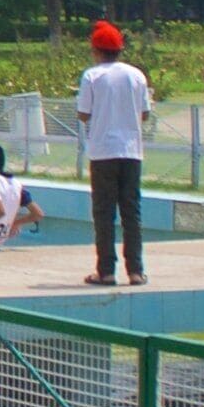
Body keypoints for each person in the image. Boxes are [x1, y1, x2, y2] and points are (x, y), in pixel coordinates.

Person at [73, 19, 151, 286]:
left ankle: (106, 271)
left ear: (96, 50)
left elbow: (83, 114)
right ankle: (136, 271)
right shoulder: (136, 75)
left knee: (104, 213)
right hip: (131, 151)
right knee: (132, 212)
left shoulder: (92, 76)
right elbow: (145, 114)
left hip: (103, 151)